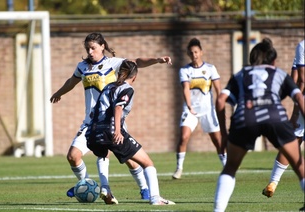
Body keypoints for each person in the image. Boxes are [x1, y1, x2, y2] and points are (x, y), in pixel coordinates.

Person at [50, 32, 172, 204]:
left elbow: (135, 62)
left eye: (93, 48)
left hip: (111, 120)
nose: (90, 52)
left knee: (130, 158)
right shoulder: (82, 67)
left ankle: (144, 188)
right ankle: (86, 184)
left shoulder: (112, 63)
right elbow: (72, 81)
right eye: (87, 49)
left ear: (102, 46)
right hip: (90, 122)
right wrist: (59, 93)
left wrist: (157, 60)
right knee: (73, 156)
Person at [213, 38, 305, 212]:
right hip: (274, 116)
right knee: (299, 165)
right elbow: (299, 96)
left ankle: (218, 210)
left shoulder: (241, 74)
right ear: (273, 61)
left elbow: (220, 101)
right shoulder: (278, 73)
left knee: (230, 167)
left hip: (245, 117)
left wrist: (224, 134)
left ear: (251, 60)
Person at [86, 60, 175, 205]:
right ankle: (155, 198)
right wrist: (118, 131)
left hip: (92, 133)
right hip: (110, 131)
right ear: (135, 77)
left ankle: (106, 189)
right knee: (148, 163)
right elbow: (118, 108)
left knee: (104, 155)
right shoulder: (127, 89)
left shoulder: (108, 87)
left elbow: (93, 113)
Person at [172, 38, 227, 179]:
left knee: (218, 141)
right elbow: (185, 89)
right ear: (188, 54)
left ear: (201, 52)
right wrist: (189, 106)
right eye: (191, 53)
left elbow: (218, 89)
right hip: (191, 110)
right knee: (184, 137)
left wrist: (220, 107)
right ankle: (179, 168)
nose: (194, 55)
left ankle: (226, 166)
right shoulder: (185, 70)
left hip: (208, 110)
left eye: (196, 52)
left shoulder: (210, 69)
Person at [262, 39, 304, 198]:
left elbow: (298, 80)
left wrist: (295, 111)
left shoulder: (302, 47)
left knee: (292, 142)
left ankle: (273, 182)